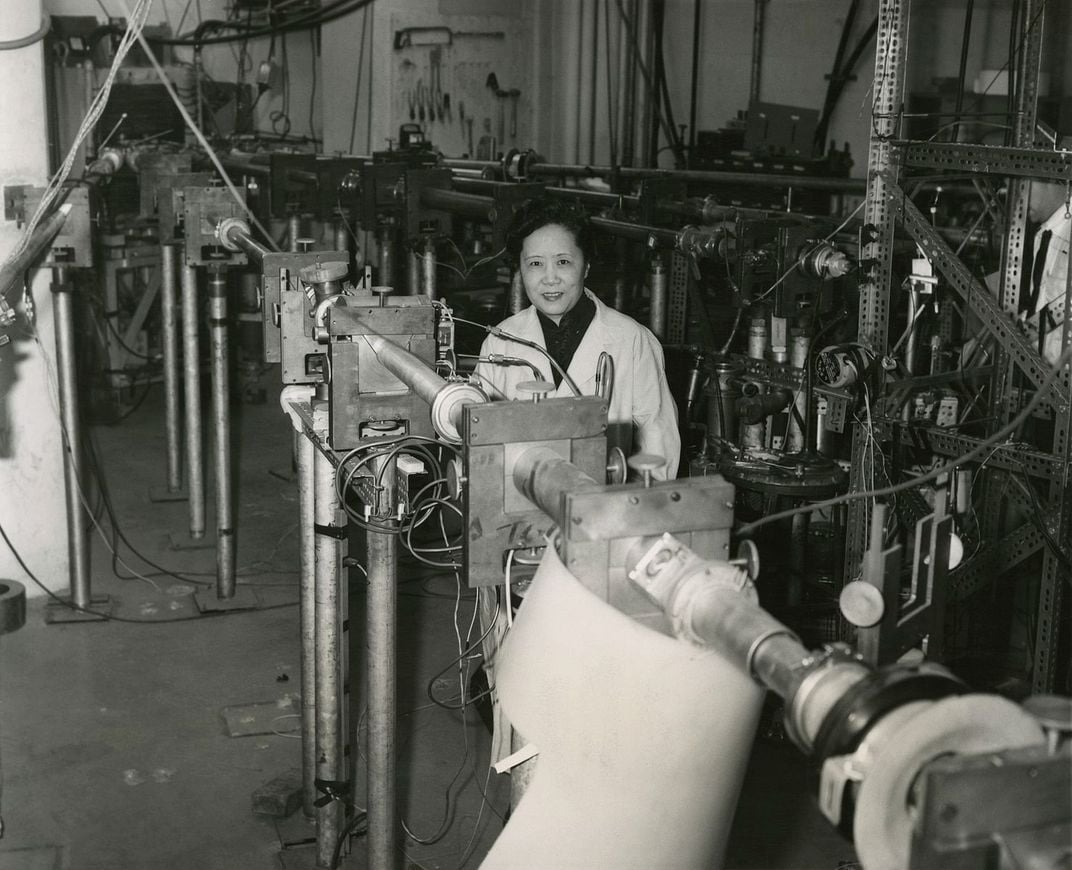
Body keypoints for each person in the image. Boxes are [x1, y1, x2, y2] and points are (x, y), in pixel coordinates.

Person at [474, 196, 681, 479]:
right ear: (520, 270)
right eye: (535, 263)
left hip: (606, 510)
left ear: (586, 266)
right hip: (520, 507)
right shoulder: (500, 342)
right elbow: (480, 442)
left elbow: (659, 448)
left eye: (563, 262)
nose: (550, 278)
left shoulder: (631, 341)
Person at [1023, 178, 1071, 366]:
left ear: (1051, 180)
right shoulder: (1045, 233)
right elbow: (1044, 301)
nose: (1018, 198)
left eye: (1022, 188)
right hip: (1045, 374)